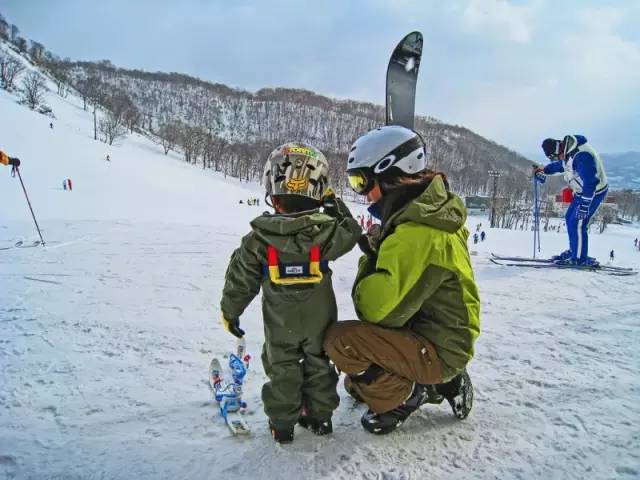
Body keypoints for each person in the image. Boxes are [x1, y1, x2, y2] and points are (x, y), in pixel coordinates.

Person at [324, 125, 480, 435]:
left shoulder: (416, 233)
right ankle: (443, 378)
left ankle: (409, 394)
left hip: (439, 347)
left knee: (341, 343)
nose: (363, 193)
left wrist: (370, 255)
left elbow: (374, 310)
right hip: (444, 336)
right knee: (357, 384)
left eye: (362, 181)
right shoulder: (428, 213)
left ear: (389, 172)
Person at [218, 142, 360, 444]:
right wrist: (333, 202)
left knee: (282, 368)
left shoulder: (257, 240)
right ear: (319, 193)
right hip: (319, 323)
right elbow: (352, 230)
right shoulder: (328, 234)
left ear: (273, 190)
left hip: (280, 325)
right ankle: (320, 418)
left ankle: (282, 425)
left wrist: (230, 312)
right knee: (320, 365)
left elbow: (239, 281)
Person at [535, 135, 608, 266]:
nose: (556, 160)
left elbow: (590, 182)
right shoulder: (568, 151)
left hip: (593, 193)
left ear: (558, 151)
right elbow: (562, 165)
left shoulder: (581, 156)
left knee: (578, 223)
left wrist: (585, 205)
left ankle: (579, 258)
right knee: (570, 218)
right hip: (581, 192)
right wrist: (544, 170)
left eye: (553, 157)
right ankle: (575, 250)